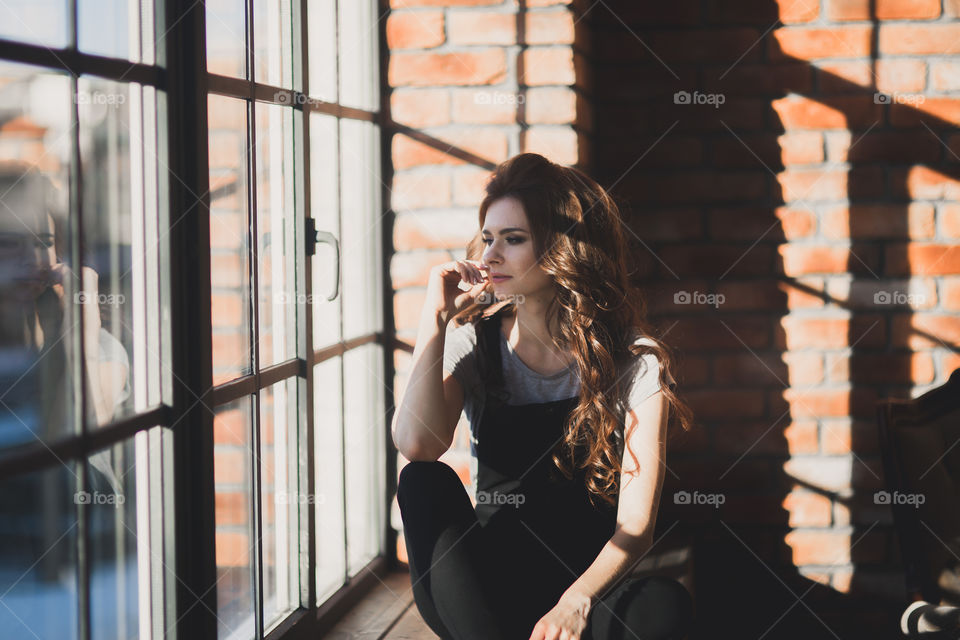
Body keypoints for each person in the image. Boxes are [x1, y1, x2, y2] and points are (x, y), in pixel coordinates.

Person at [392, 153, 695, 640]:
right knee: (423, 481)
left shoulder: (635, 362)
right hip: (484, 595)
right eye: (488, 238)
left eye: (513, 240)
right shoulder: (476, 341)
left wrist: (575, 603)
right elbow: (416, 444)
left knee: (663, 604)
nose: (490, 256)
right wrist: (434, 317)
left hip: (586, 592)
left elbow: (636, 528)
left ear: (563, 251)